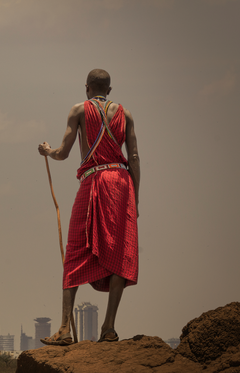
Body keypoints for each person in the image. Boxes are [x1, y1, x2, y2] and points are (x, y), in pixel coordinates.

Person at [37, 69, 140, 345]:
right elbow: (134, 157)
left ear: (86, 88)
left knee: (75, 249)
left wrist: (47, 151)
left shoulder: (78, 110)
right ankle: (109, 328)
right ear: (109, 89)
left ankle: (63, 329)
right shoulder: (126, 114)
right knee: (120, 252)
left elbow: (63, 152)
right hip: (121, 184)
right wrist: (136, 198)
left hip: (94, 180)